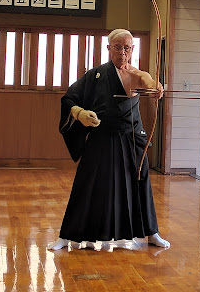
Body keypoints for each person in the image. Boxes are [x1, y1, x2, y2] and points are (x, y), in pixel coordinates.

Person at [48, 28, 170, 251]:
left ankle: (151, 233)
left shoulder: (134, 74)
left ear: (132, 49)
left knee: (140, 182)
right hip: (101, 137)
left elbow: (146, 79)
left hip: (131, 139)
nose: (122, 52)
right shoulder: (95, 75)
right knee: (86, 183)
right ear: (108, 49)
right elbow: (69, 99)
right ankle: (66, 236)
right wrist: (80, 114)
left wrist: (155, 86)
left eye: (127, 47)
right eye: (117, 47)